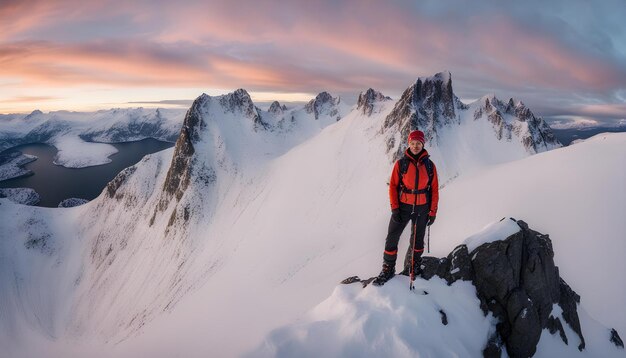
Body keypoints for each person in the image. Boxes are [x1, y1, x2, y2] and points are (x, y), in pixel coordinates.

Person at [373, 130, 439, 286]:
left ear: (423, 144)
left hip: (422, 208)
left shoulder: (430, 166)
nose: (415, 146)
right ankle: (388, 270)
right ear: (408, 144)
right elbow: (393, 186)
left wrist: (433, 211)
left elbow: (434, 189)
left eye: (418, 143)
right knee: (391, 239)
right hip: (403, 206)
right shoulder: (401, 164)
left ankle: (414, 267)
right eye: (412, 143)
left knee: (417, 242)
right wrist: (395, 208)